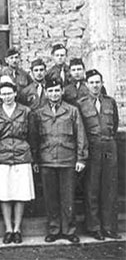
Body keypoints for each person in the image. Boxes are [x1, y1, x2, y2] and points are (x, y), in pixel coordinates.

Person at [35, 77, 88, 243]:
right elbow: (35, 138)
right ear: (46, 92)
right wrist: (36, 160)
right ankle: (54, 229)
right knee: (51, 198)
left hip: (67, 159)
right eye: (50, 91)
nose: (54, 93)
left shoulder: (72, 111)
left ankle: (69, 230)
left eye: (57, 90)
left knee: (68, 197)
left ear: (62, 91)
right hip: (47, 160)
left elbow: (81, 135)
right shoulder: (39, 113)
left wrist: (81, 158)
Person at [0, 82, 37, 244]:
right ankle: (8, 228)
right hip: (1, 155)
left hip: (22, 154)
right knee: (5, 193)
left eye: (9, 93)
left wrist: (33, 157)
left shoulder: (26, 111)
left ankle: (17, 228)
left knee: (20, 193)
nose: (7, 97)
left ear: (15, 93)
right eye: (3, 94)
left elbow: (32, 135)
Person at [78, 70, 121, 240]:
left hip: (109, 146)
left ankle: (109, 227)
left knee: (109, 188)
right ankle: (94, 227)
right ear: (87, 84)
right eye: (92, 82)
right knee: (92, 187)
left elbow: (115, 123)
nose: (95, 85)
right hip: (92, 147)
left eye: (98, 82)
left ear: (102, 83)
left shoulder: (110, 102)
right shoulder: (81, 104)